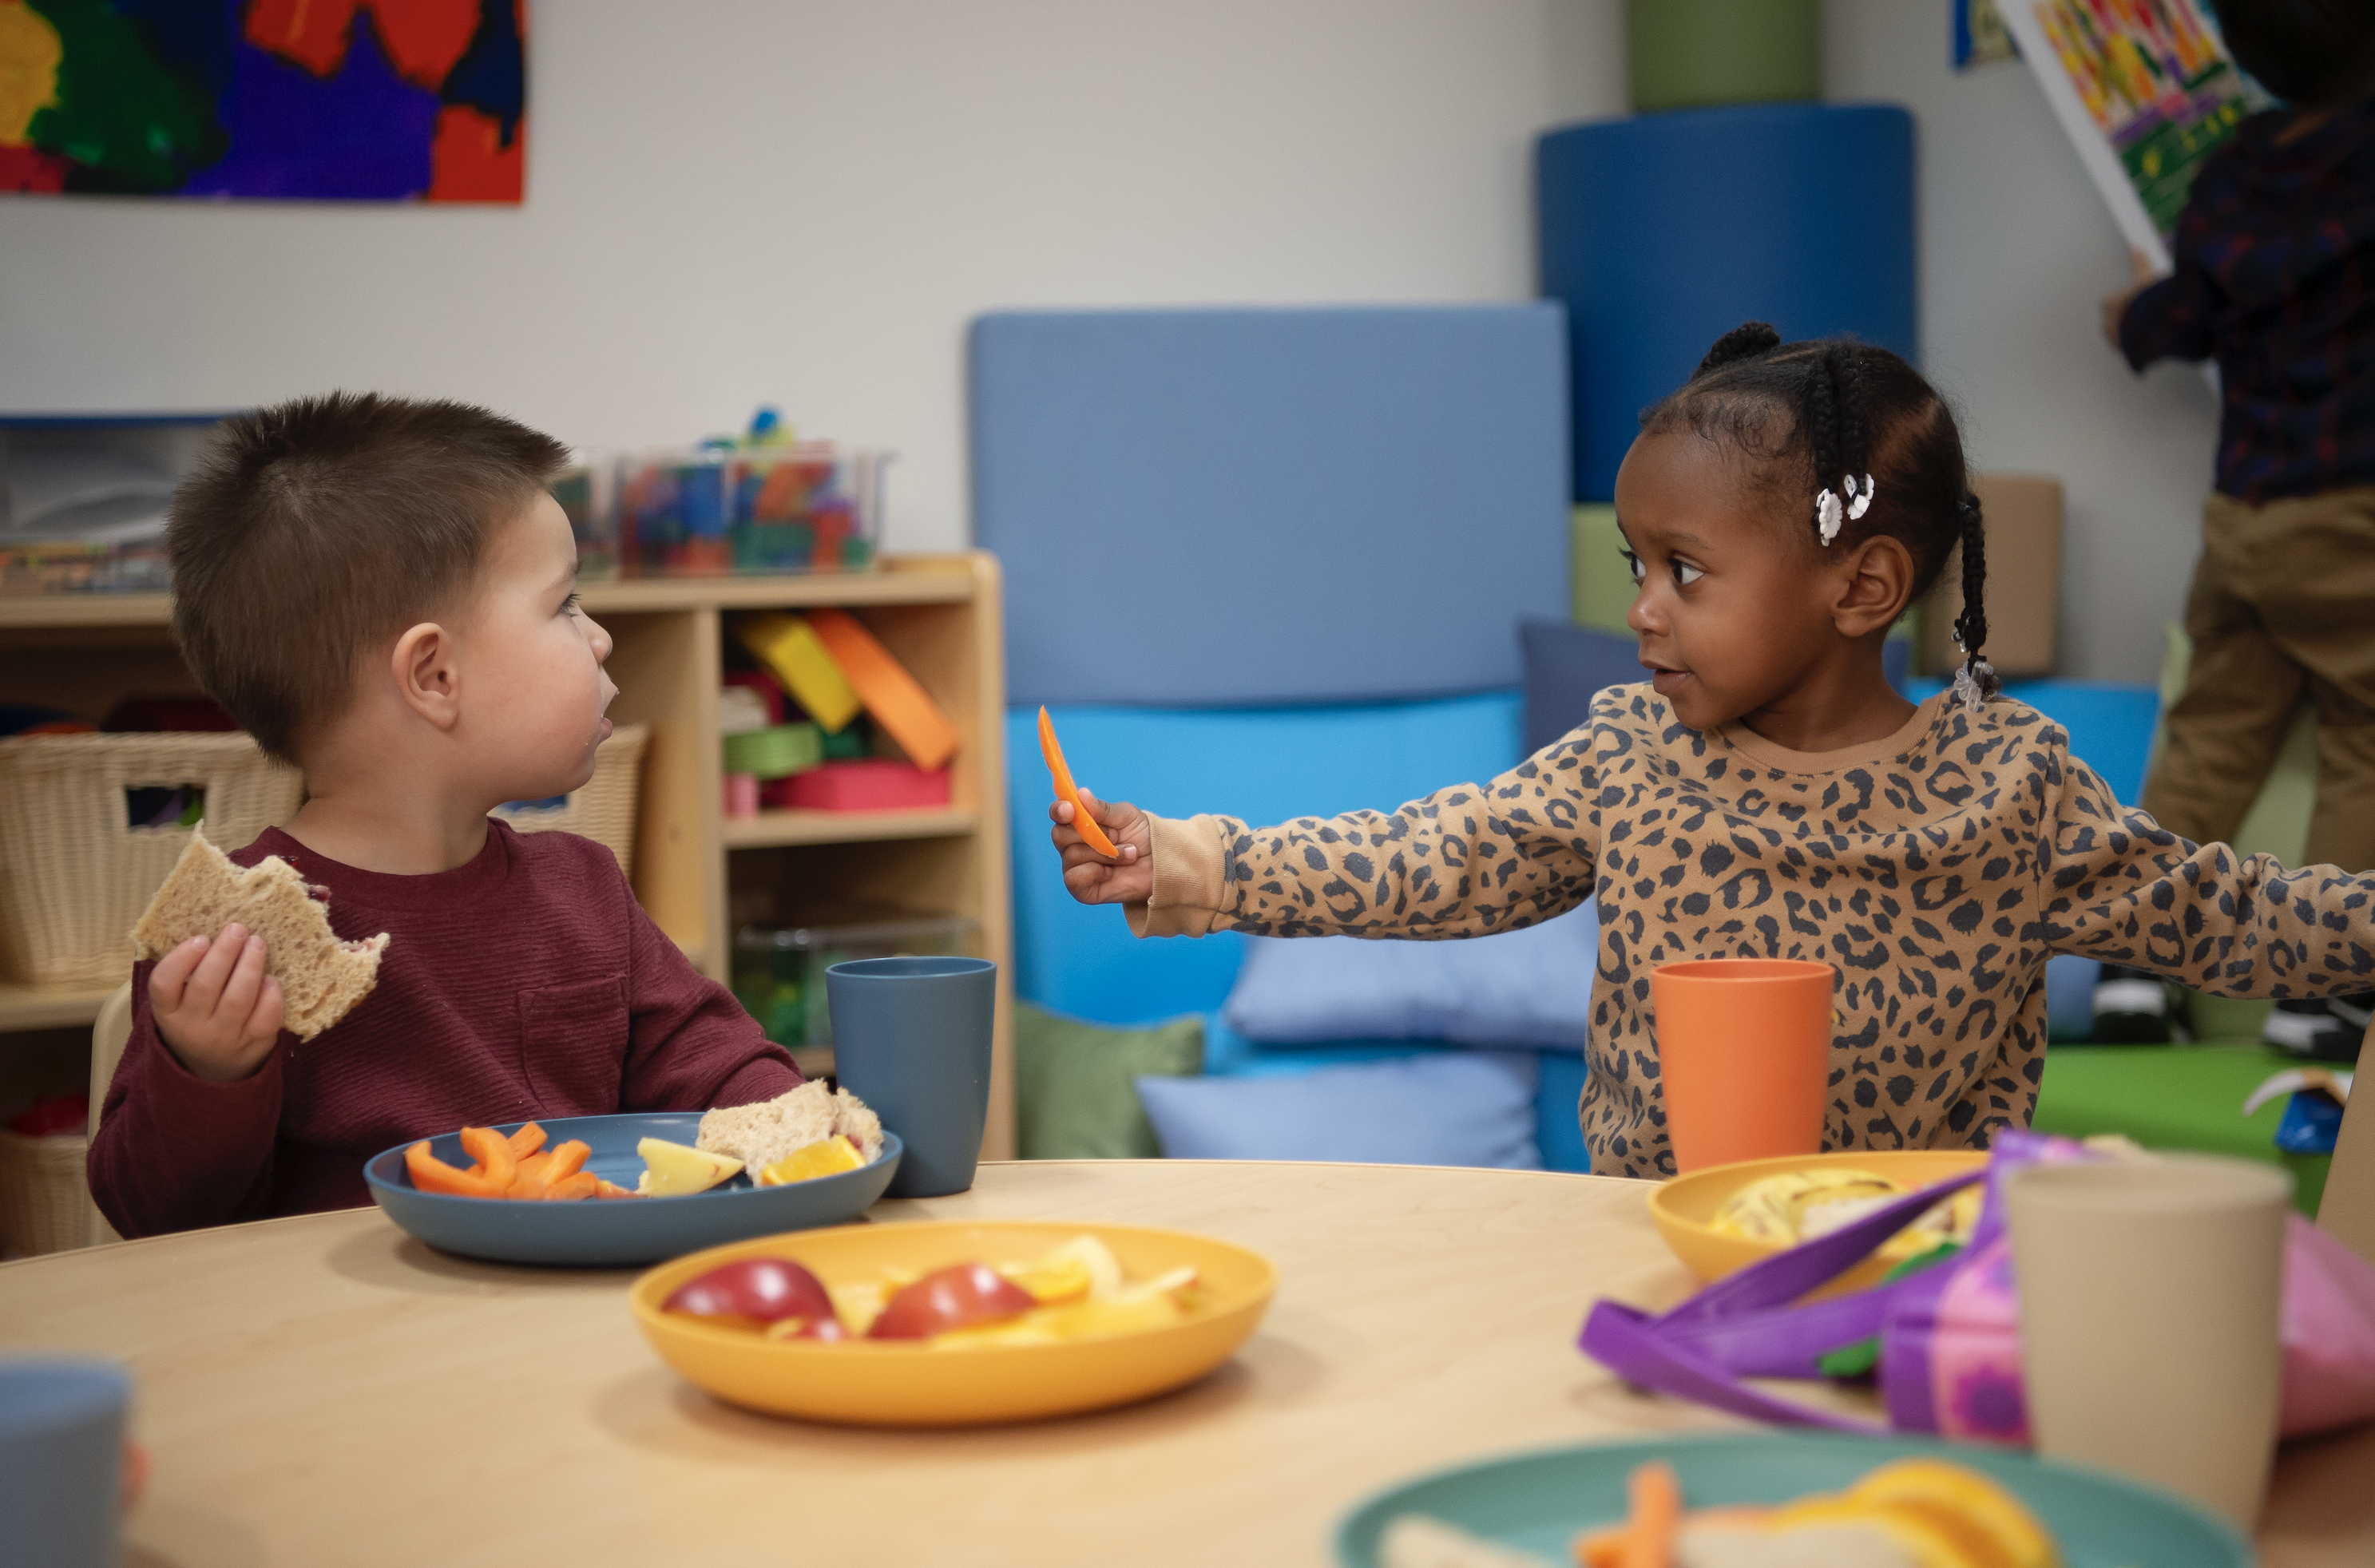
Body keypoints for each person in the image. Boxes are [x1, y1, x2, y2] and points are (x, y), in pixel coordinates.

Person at [1049, 326, 2375, 1179]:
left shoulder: (2008, 786)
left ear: (1859, 588)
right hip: (1657, 1249)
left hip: (1915, 1261)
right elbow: (1431, 856)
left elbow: (2220, 908)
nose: (1639, 606)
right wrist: (1182, 855)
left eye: (1684, 571)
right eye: (1638, 565)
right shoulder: (1628, 754)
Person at [89, 394, 800, 1237]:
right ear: (433, 675)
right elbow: (149, 1218)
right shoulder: (235, 945)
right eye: (566, 604)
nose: (600, 638)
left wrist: (802, 1124)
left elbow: (711, 1066)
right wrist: (206, 1069)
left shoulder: (584, 886)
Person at [2098, 0, 2375, 1059]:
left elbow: (2181, 316)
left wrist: (2129, 316)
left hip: (2243, 517)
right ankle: (2323, 989)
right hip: (2353, 510)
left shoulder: (2229, 173)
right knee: (2363, 735)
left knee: (2209, 730)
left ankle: (2134, 972)